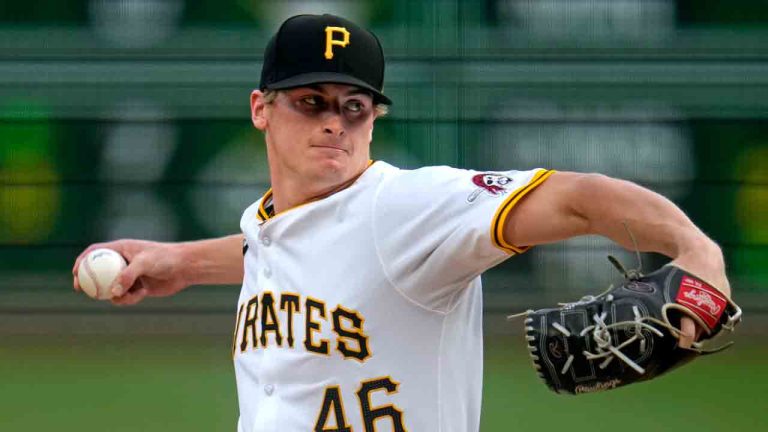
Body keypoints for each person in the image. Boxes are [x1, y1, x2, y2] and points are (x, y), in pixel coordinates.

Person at [72, 14, 731, 432]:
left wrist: (696, 252)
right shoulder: (276, 223)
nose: (334, 120)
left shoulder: (411, 211)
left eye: (354, 105)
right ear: (261, 109)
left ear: (374, 118)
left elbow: (581, 196)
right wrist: (181, 262)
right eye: (310, 101)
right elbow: (294, 251)